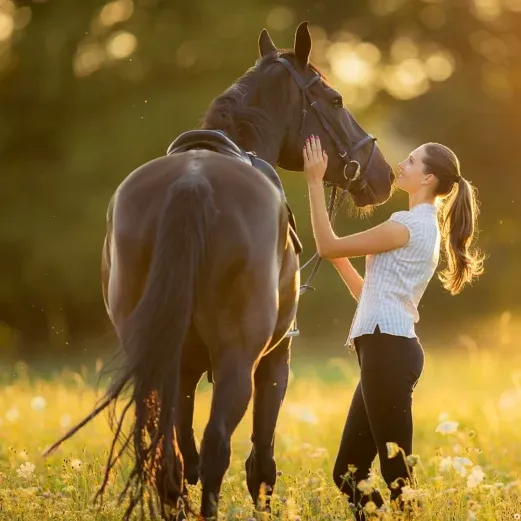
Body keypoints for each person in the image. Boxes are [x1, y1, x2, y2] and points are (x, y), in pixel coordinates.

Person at [302, 135, 484, 519]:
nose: (403, 164)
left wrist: (315, 182)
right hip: (386, 348)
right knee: (348, 473)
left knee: (396, 473)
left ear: (427, 179)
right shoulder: (423, 227)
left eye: (413, 161)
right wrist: (339, 259)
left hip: (389, 351)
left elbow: (325, 245)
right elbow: (369, 294)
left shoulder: (407, 225)